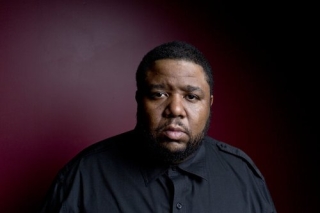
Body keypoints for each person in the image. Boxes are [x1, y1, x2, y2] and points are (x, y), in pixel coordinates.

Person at [39, 41, 277, 213]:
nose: (175, 109)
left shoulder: (243, 176)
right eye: (159, 94)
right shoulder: (84, 176)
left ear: (210, 103)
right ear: (139, 99)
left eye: (191, 97)